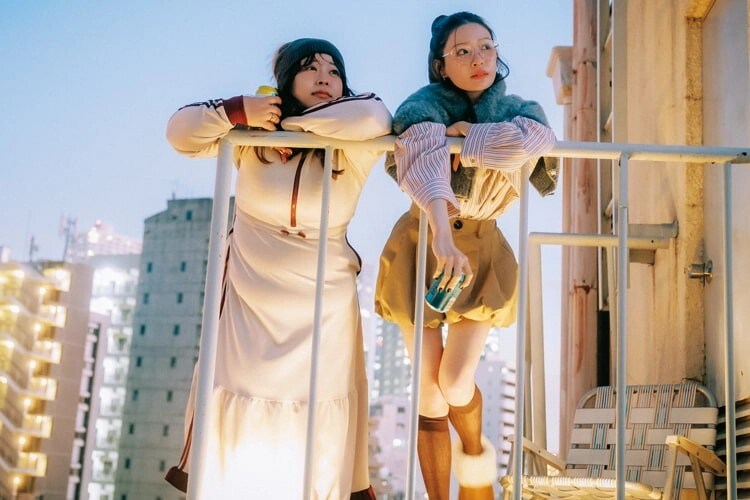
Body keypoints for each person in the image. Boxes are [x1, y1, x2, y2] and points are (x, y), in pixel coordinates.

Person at [164, 38, 392, 499]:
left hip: (322, 312)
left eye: (334, 70)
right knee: (239, 424)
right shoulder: (251, 139)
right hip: (249, 308)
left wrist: (291, 124)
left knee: (315, 425)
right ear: (287, 79)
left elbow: (375, 116)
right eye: (310, 68)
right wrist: (241, 111)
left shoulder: (351, 146)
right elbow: (180, 131)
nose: (325, 77)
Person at [374, 12, 557, 500]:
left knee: (455, 383)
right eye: (462, 51)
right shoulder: (421, 108)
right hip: (424, 240)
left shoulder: (520, 108)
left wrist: (466, 141)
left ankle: (476, 467)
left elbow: (535, 141)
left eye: (486, 47)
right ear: (441, 65)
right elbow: (423, 162)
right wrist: (441, 232)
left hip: (482, 246)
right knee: (429, 392)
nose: (479, 59)